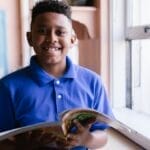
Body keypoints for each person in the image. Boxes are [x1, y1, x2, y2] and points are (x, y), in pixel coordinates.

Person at [0, 0, 114, 149]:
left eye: (60, 32)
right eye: (42, 31)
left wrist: (87, 138)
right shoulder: (8, 87)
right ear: (30, 38)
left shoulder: (93, 82)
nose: (52, 38)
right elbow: (3, 140)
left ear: (72, 39)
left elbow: (103, 135)